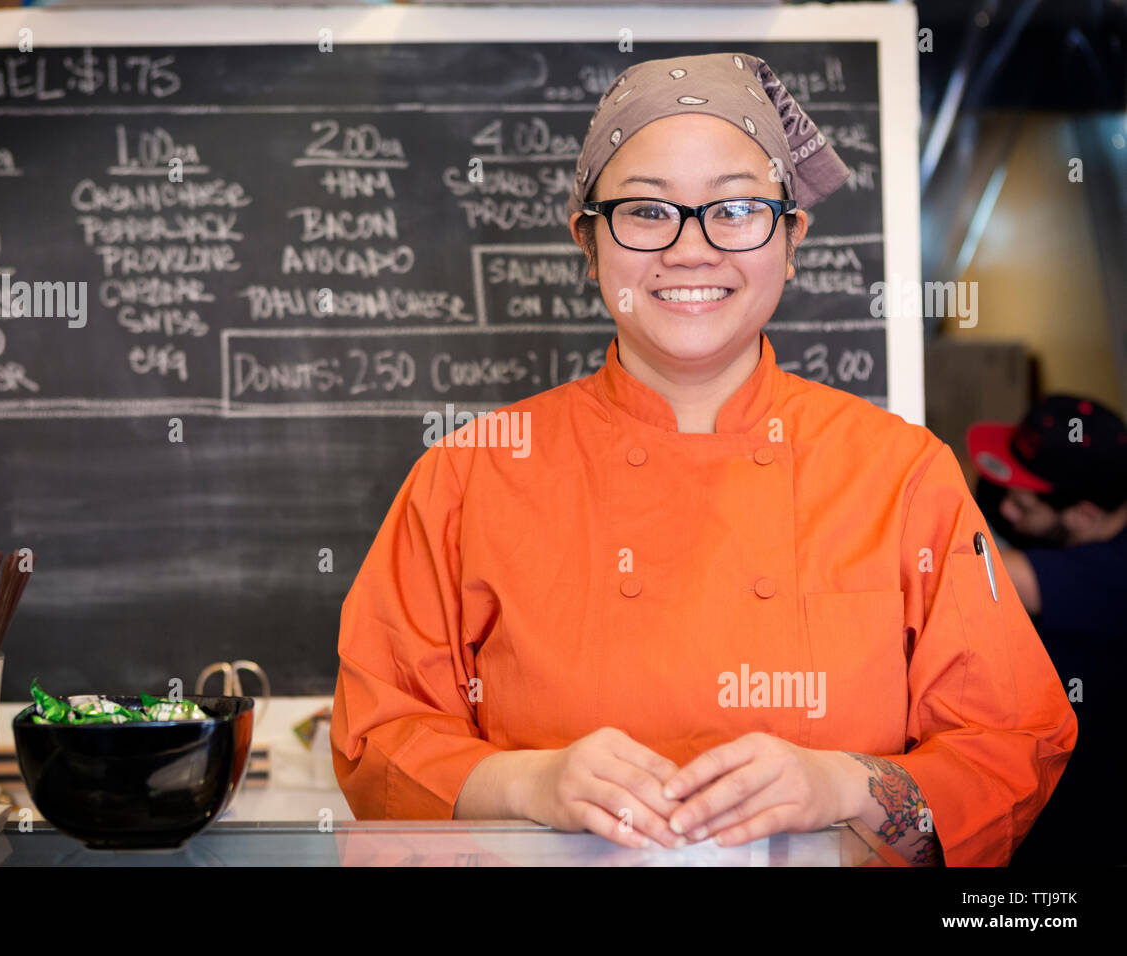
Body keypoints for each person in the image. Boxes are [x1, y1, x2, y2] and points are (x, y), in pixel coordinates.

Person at [331, 52, 1076, 866]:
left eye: (736, 209)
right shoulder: (469, 474)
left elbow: (1014, 745)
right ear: (588, 242)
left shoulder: (902, 474)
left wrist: (846, 787)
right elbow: (378, 735)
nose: (691, 249)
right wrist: (526, 784)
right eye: (647, 211)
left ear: (791, 239)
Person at [965, 396, 1127, 865]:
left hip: (1081, 820)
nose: (1006, 510)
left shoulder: (1114, 575)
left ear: (1084, 516)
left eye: (1022, 503)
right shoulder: (1048, 512)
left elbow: (991, 572)